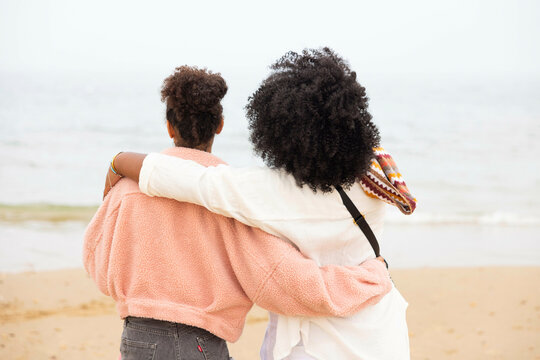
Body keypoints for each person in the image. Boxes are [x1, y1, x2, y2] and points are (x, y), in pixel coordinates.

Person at [106, 48, 415, 360]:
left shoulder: (270, 190)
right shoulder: (373, 180)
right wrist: (374, 277)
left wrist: (118, 162)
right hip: (382, 335)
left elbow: (192, 180)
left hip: (313, 346)